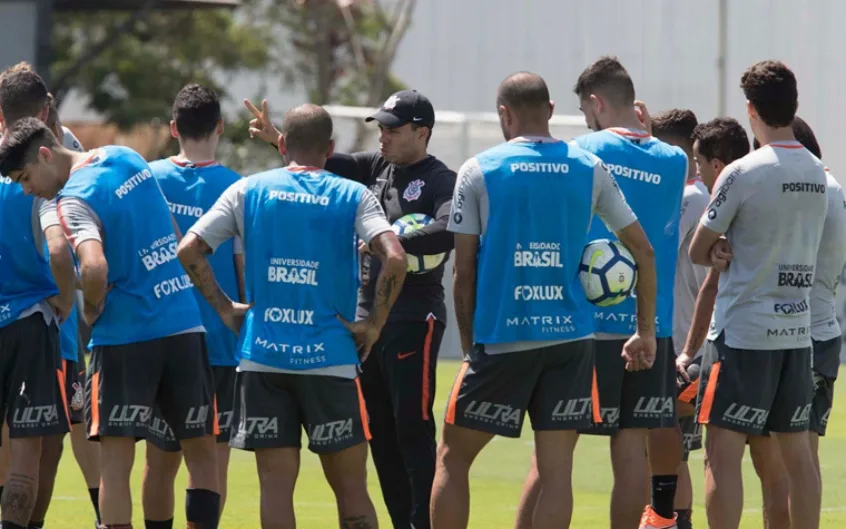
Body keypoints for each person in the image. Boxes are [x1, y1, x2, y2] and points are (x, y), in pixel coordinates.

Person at [430, 71, 657, 529]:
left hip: (501, 339)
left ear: (503, 114)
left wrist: (472, 346)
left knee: (453, 458)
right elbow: (644, 250)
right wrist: (646, 330)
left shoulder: (478, 169)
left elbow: (463, 272)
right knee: (557, 473)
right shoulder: (588, 167)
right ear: (552, 111)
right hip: (572, 343)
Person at [177, 102, 407, 529]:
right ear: (331, 147)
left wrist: (226, 308)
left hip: (264, 359)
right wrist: (373, 322)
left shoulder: (248, 190)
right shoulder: (353, 194)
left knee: (276, 490)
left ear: (282, 144)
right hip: (331, 361)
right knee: (352, 491)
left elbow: (188, 250)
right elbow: (395, 259)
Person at [244, 90, 455, 529]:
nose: (383, 137)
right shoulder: (374, 167)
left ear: (422, 133)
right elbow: (317, 160)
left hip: (414, 319)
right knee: (377, 435)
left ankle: (423, 524)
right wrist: (278, 139)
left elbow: (445, 229)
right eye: (380, 128)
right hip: (363, 325)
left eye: (393, 130)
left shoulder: (439, 179)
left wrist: (394, 241)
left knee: (412, 430)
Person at [0, 117, 222, 529]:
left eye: (25, 177)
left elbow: (94, 266)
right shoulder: (128, 157)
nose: (27, 190)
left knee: (116, 465)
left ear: (46, 155)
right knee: (201, 455)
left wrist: (88, 308)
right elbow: (176, 236)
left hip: (124, 338)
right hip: (183, 324)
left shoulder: (72, 200)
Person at [514, 57, 687, 529]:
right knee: (631, 450)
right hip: (651, 327)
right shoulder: (675, 160)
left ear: (596, 102)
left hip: (586, 326)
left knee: (552, 449)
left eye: (584, 108)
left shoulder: (582, 149)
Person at [686, 60, 825, 529]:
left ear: (750, 110)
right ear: (794, 104)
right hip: (796, 332)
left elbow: (699, 249)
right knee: (799, 456)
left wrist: (721, 249)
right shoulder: (816, 172)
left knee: (720, 457)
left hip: (743, 334)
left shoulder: (742, 171)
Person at [141, 84, 245, 529]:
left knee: (159, 462)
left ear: (172, 129)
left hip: (160, 335)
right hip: (220, 344)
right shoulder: (240, 188)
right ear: (220, 127)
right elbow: (243, 269)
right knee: (212, 461)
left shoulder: (146, 180)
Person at [0, 75, 75, 529]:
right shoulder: (44, 174)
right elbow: (60, 248)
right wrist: (66, 298)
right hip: (32, 324)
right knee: (32, 455)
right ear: (44, 114)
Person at [648, 108, 709, 529]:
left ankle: (674, 522)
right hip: (682, 340)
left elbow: (651, 237)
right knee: (673, 449)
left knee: (670, 449)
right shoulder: (694, 195)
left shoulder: (691, 197)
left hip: (686, 345)